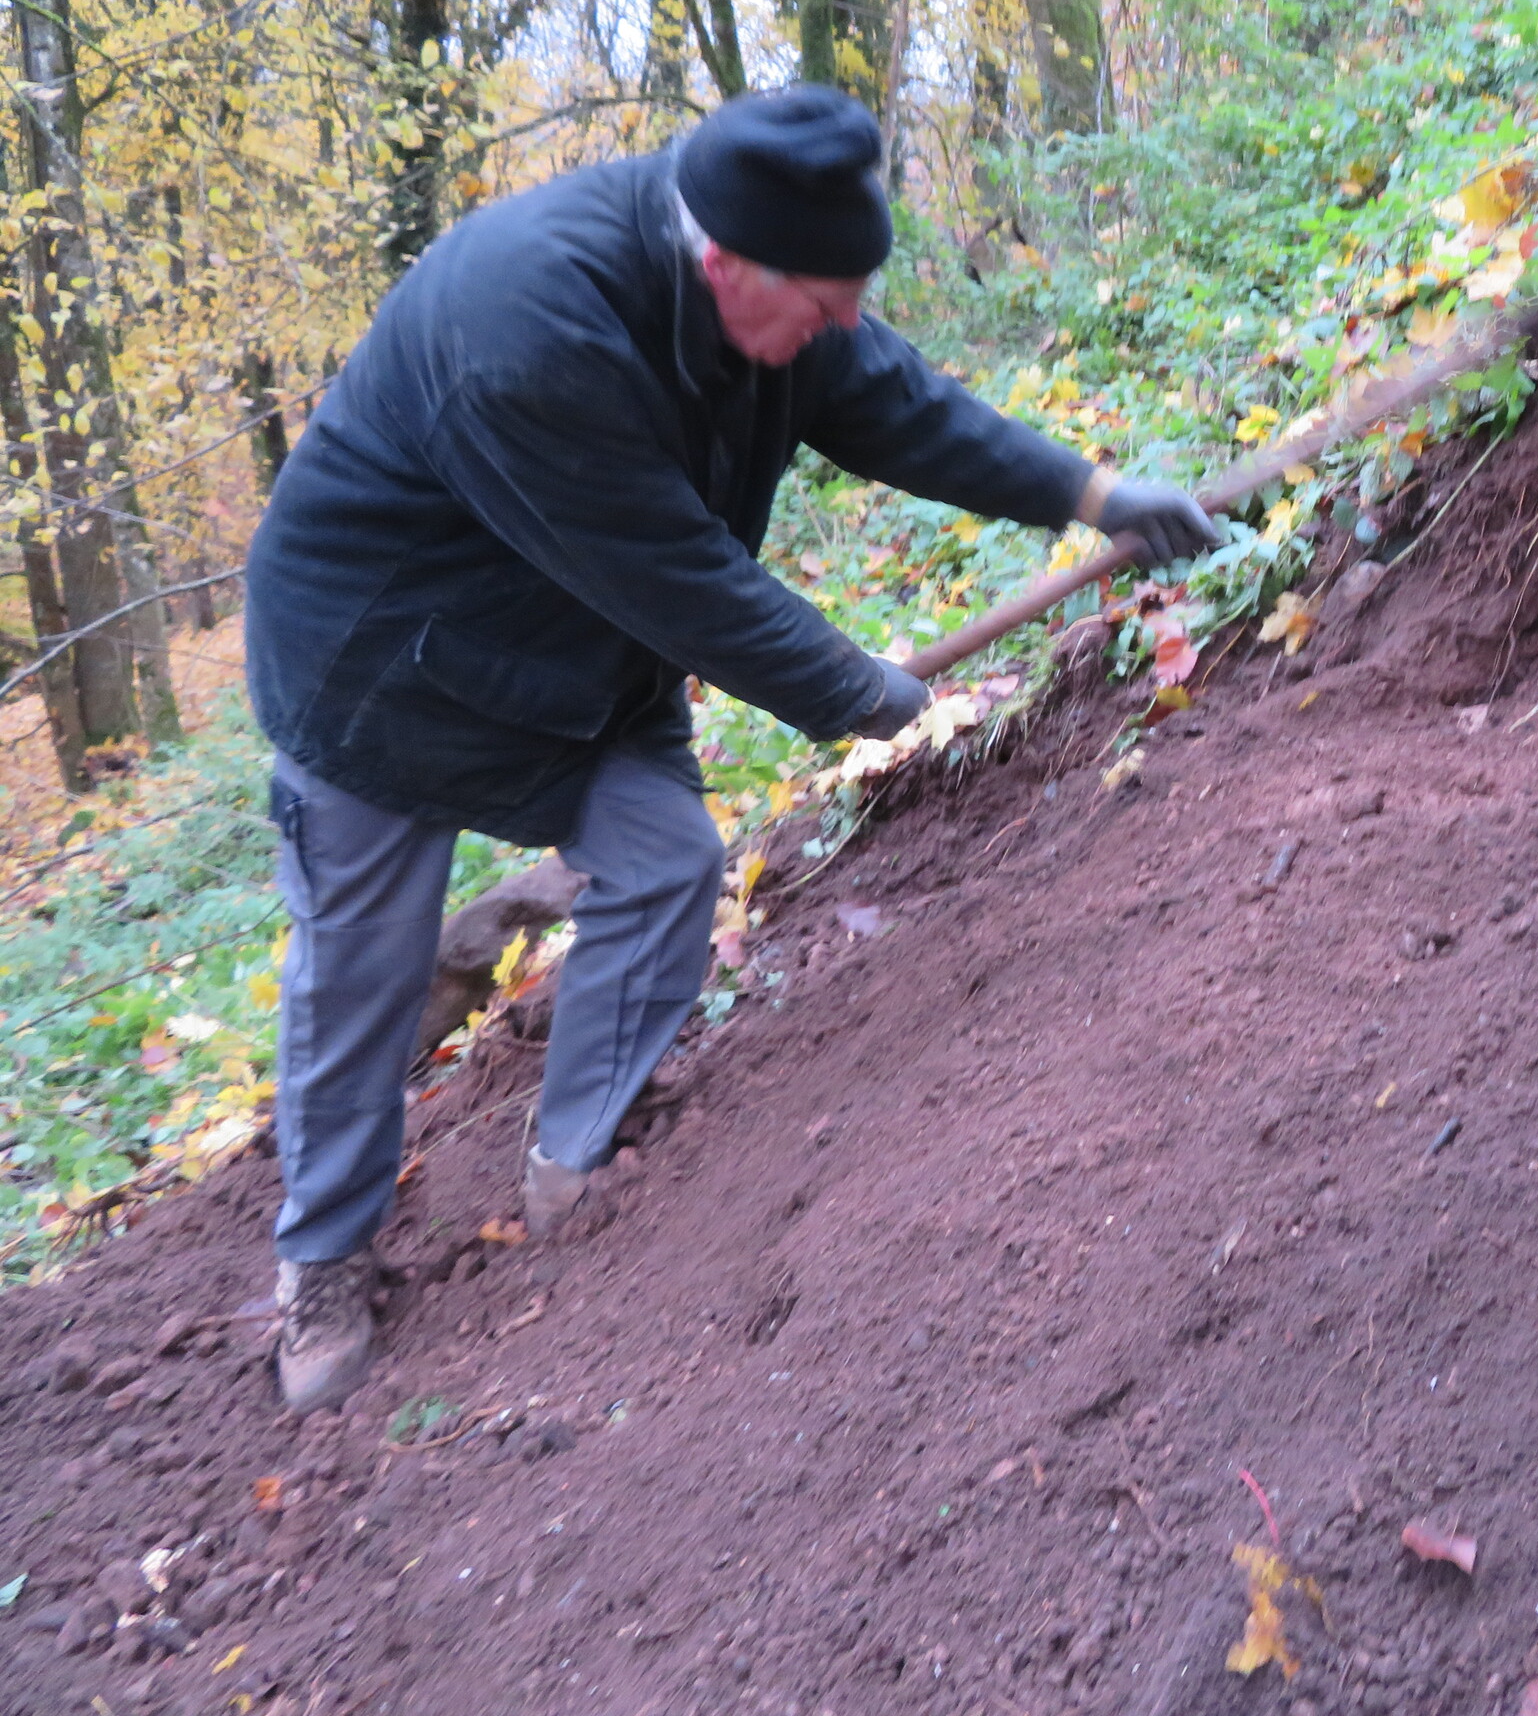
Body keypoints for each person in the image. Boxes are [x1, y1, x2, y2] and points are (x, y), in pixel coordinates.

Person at [243, 87, 1216, 1414]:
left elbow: (897, 403)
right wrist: (855, 690)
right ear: (724, 267)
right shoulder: (523, 329)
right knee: (362, 969)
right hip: (380, 669)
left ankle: (576, 1160)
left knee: (667, 863)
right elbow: (677, 577)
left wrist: (1092, 494)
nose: (842, 325)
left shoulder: (777, 283)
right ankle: (323, 1258)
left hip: (582, 646)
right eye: (824, 305)